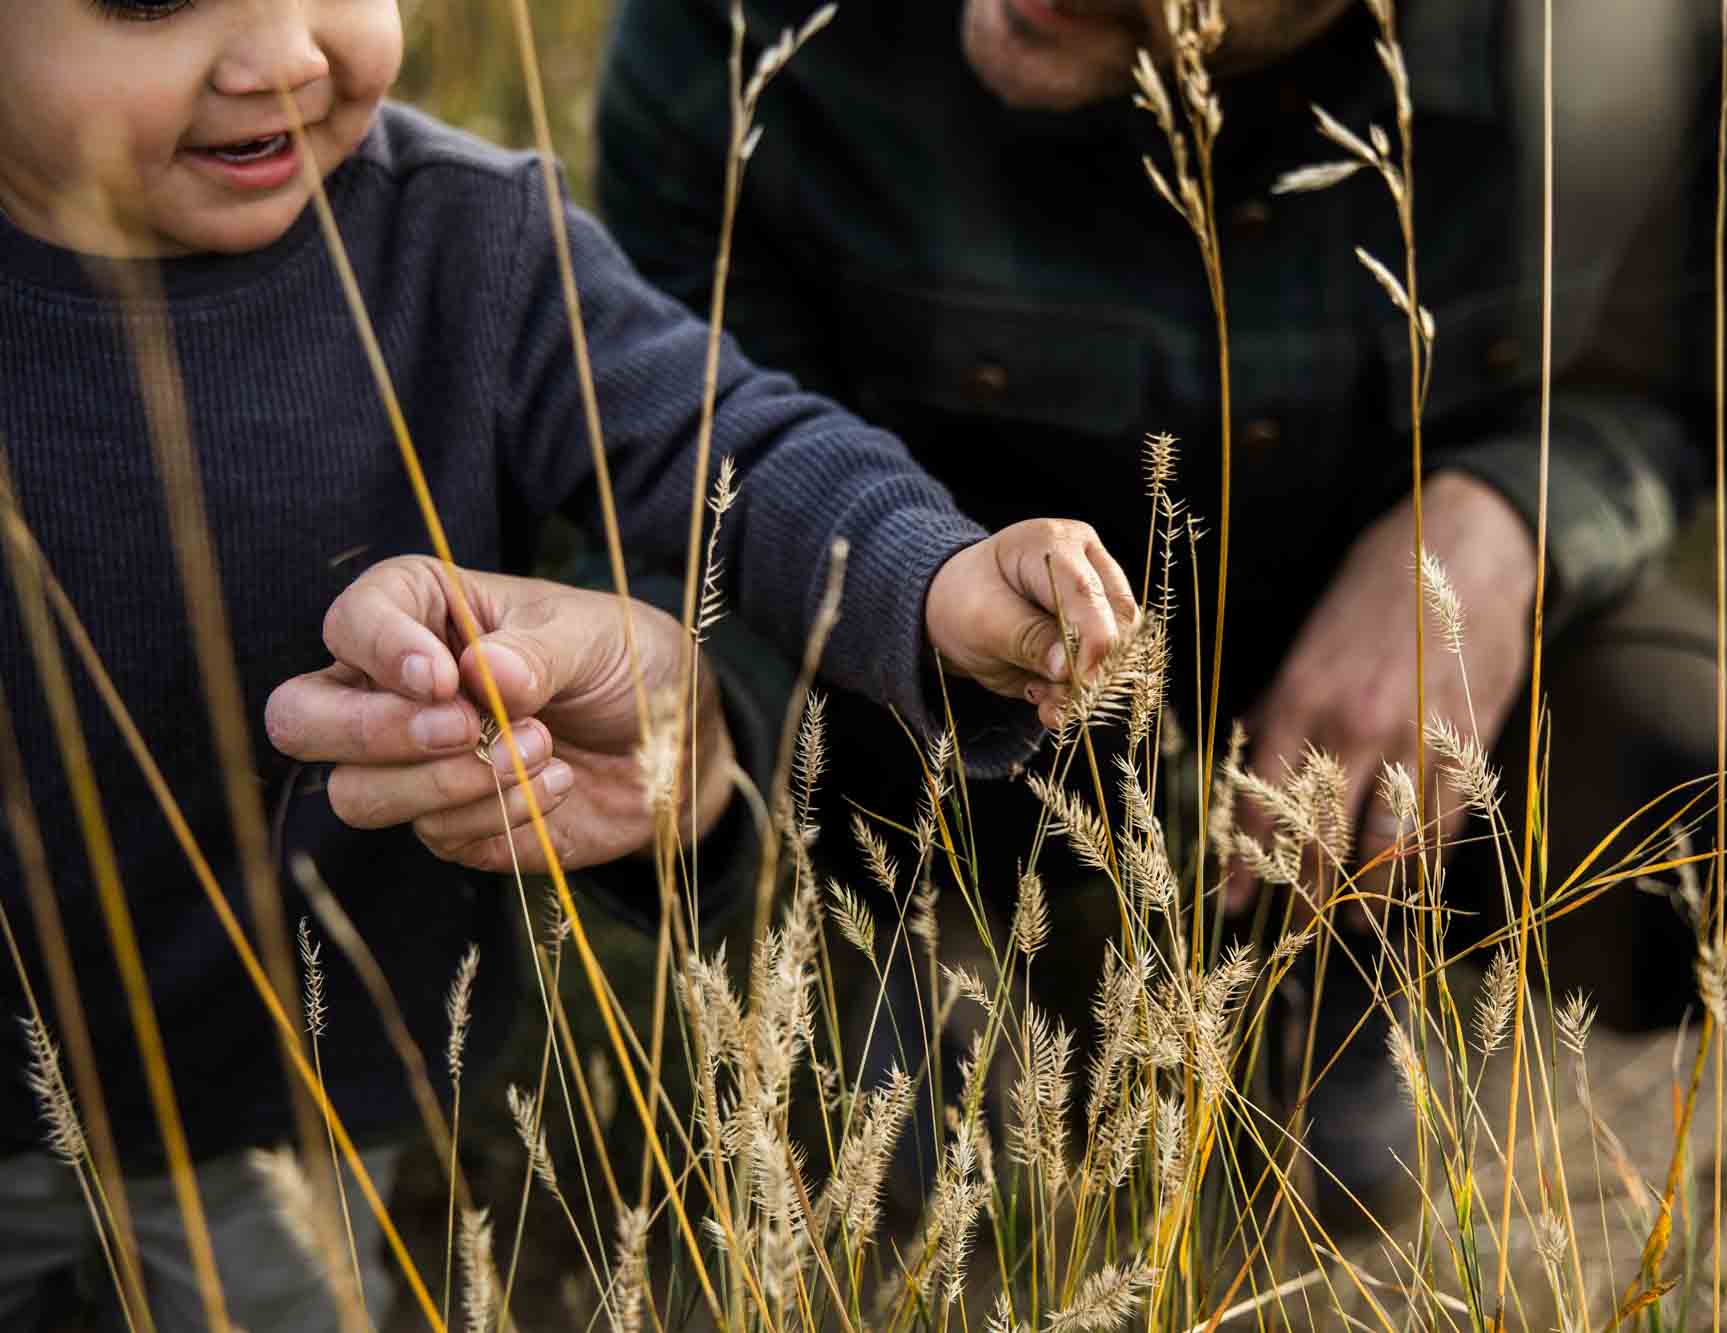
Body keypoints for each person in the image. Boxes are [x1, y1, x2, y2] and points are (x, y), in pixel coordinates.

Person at [591, 0, 1727, 1220]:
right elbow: (702, 455)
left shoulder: (1706, 27)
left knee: (1681, 801)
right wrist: (710, 740)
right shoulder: (739, 31)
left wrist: (1504, 523)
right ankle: (905, 936)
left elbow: (1664, 381)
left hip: (1366, 670)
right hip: (928, 679)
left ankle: (1331, 971)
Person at [0, 1, 1140, 1327]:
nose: (293, 57)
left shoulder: (465, 244)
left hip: (279, 1070)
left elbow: (732, 445)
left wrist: (929, 573)